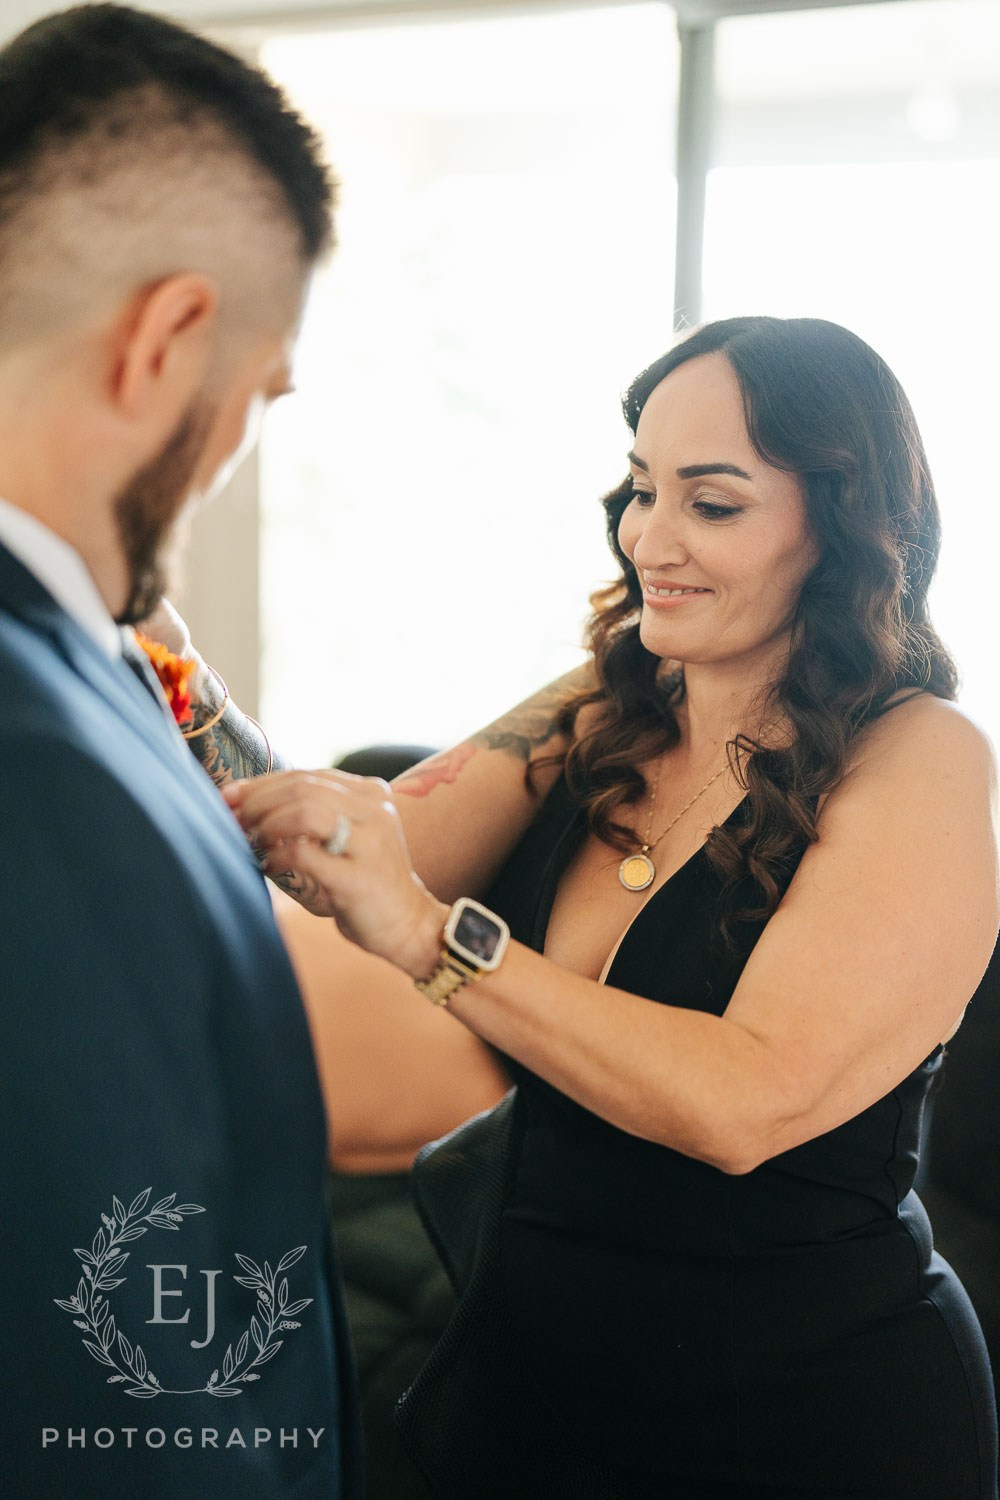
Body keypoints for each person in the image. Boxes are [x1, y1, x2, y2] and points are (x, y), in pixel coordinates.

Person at [217, 317, 999, 1498]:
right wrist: (170, 669)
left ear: (841, 526)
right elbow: (347, 848)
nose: (650, 539)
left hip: (794, 1418)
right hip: (531, 1384)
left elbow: (741, 1102)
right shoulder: (614, 696)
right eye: (641, 489)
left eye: (711, 503)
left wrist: (434, 943)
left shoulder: (919, 755)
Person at [0, 6, 359, 1496]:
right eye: (258, 397)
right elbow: (113, 1401)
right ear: (166, 339)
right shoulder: (35, 767)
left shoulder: (81, 669)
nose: (231, 455)